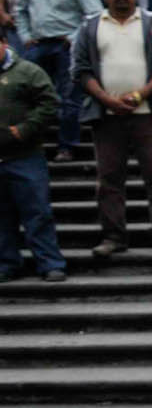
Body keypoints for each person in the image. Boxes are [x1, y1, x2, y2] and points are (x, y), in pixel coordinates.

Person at [72, 0, 152, 256]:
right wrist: (107, 99)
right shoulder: (90, 27)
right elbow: (79, 69)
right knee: (109, 180)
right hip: (106, 117)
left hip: (149, 113)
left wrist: (141, 94)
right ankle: (113, 237)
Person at [12, 0, 95, 160]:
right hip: (37, 45)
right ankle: (29, 143)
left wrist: (75, 38)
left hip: (66, 45)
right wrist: (25, 35)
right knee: (29, 95)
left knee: (69, 97)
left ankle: (66, 145)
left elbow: (93, 13)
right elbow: (20, 11)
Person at [0, 40, 65, 280]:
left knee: (37, 212)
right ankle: (7, 264)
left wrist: (26, 129)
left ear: (4, 44)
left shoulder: (28, 71)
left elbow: (49, 103)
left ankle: (50, 263)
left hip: (25, 156)